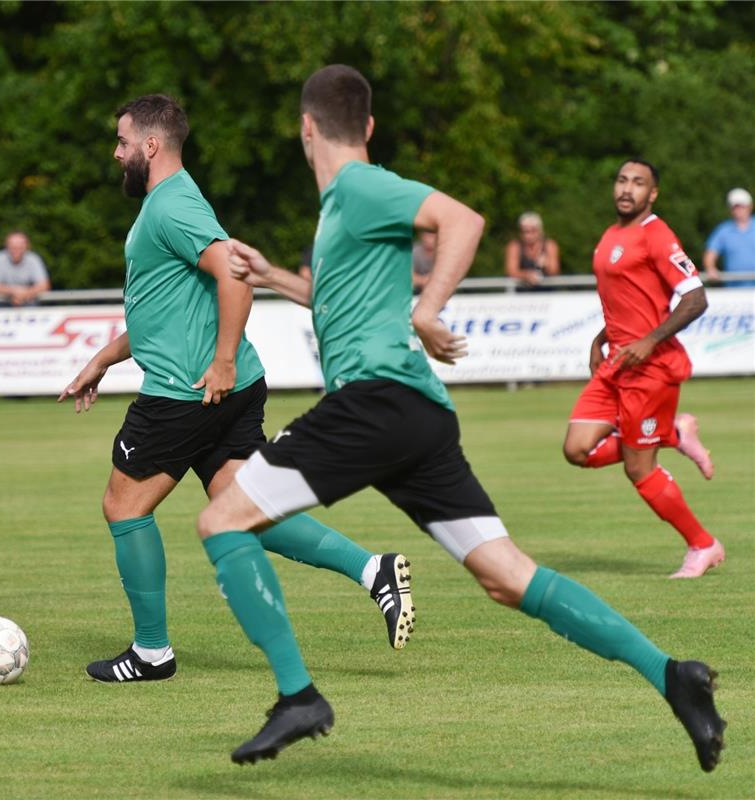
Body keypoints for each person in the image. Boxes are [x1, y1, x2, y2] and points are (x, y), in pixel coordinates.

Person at [207, 65, 724, 770]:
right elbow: (338, 306)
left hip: (375, 402)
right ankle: (671, 674)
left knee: (221, 518)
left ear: (306, 129)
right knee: (506, 577)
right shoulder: (342, 210)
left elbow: (462, 219)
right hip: (415, 413)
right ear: (365, 125)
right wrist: (272, 277)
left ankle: (297, 695)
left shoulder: (359, 185)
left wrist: (426, 309)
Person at [58, 94, 415, 685]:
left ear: (150, 146)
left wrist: (221, 360)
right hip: (228, 387)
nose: (116, 153)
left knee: (123, 506)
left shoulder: (170, 206)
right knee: (239, 509)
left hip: (188, 391)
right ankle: (372, 569)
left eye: (122, 142)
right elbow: (167, 310)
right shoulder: (175, 201)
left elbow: (236, 275)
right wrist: (106, 357)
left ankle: (151, 653)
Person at [562, 160, 723, 579]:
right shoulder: (611, 236)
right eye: (621, 180)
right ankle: (672, 434)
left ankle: (703, 545)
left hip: (650, 368)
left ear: (652, 194)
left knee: (639, 467)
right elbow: (630, 301)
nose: (627, 189)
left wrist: (649, 340)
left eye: (638, 183)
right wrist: (600, 338)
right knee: (577, 449)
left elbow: (695, 298)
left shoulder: (656, 234)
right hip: (617, 364)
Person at [703, 188, 755, 287]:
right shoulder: (723, 230)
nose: (739, 210)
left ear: (750, 207)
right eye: (735, 207)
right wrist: (710, 268)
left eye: (742, 206)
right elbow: (710, 254)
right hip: (733, 291)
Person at [0, 230, 52, 306]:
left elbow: (44, 285)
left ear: (27, 246)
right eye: (12, 246)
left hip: (30, 309)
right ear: (6, 246)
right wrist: (14, 292)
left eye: (20, 246)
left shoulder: (34, 259)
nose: (16, 249)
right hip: (2, 310)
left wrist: (25, 294)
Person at [505, 211, 560, 290]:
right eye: (525, 231)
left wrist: (547, 265)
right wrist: (527, 275)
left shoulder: (550, 245)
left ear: (540, 230)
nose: (529, 235)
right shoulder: (514, 246)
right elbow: (511, 271)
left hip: (546, 294)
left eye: (533, 231)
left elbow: (555, 271)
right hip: (521, 295)